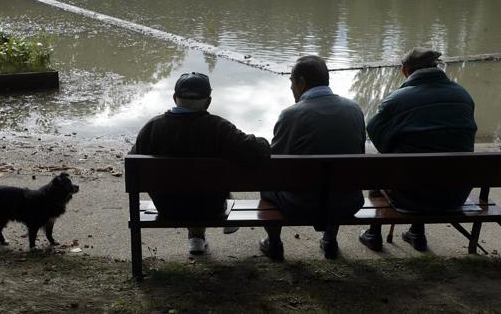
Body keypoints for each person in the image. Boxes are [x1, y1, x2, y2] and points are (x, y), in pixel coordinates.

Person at [130, 72, 270, 254]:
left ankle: (196, 238)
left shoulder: (152, 128)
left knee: (189, 185)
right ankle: (204, 231)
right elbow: (257, 151)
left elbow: (133, 163)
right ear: (208, 101)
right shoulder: (219, 128)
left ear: (174, 98)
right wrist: (263, 141)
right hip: (212, 209)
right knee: (209, 184)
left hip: (168, 208)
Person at [359, 48, 478, 252]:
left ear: (405, 71)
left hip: (410, 197)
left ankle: (374, 234)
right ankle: (417, 234)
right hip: (455, 193)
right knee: (427, 159)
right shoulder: (463, 95)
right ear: (436, 67)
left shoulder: (396, 99)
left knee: (384, 166)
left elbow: (376, 134)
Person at [260, 55, 366, 260]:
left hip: (301, 205)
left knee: (267, 183)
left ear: (301, 82)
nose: (291, 88)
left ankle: (274, 243)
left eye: (291, 82)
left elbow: (275, 163)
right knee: (337, 179)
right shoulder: (354, 110)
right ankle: (329, 240)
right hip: (347, 202)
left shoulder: (291, 115)